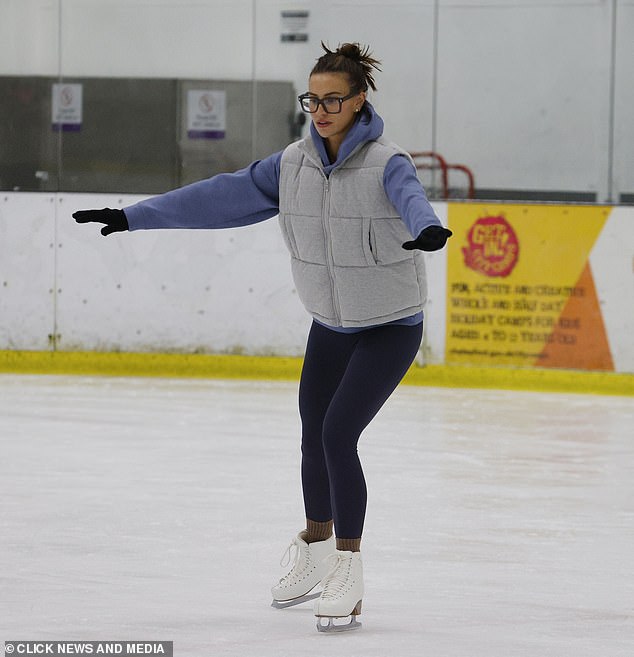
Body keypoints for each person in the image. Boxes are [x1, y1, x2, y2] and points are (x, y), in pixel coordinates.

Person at [74, 41, 452, 633]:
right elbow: (218, 197)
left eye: (333, 100)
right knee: (311, 435)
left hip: (389, 325)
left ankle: (349, 568)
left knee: (337, 432)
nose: (320, 110)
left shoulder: (388, 161)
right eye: (313, 99)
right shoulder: (292, 165)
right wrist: (132, 216)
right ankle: (317, 547)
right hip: (330, 324)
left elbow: (412, 201)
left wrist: (428, 230)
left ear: (358, 101)